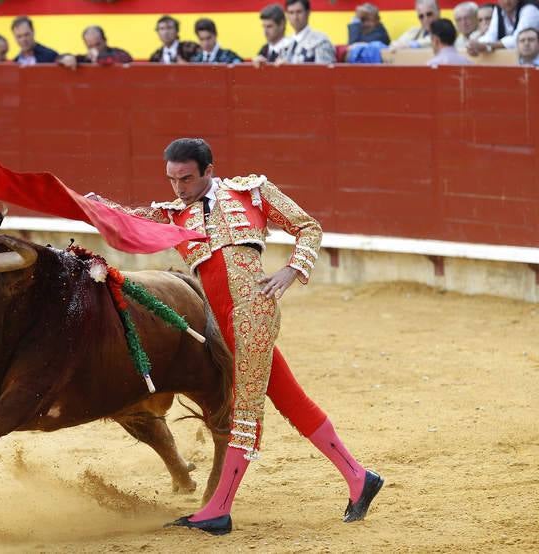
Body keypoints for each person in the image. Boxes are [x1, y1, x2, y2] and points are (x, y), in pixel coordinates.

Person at [89, 138, 383, 535]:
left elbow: (309, 227)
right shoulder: (174, 213)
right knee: (290, 398)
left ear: (209, 171)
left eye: (187, 178)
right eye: (172, 180)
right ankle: (358, 478)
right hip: (220, 319)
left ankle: (218, 509)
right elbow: (129, 221)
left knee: (243, 411)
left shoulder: (251, 191)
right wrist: (87, 205)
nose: (178, 188)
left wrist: (290, 271)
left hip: (253, 311)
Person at [467, 0, 539, 54]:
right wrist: (474, 45)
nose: (506, 1)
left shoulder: (530, 8)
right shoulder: (498, 9)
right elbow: (491, 36)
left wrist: (486, 46)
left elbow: (518, 40)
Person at [57, 25, 132, 69]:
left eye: (97, 44)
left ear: (105, 40)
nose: (94, 49)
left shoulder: (120, 53)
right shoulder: (85, 59)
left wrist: (98, 58)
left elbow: (124, 59)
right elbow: (58, 59)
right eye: (90, 46)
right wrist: (66, 58)